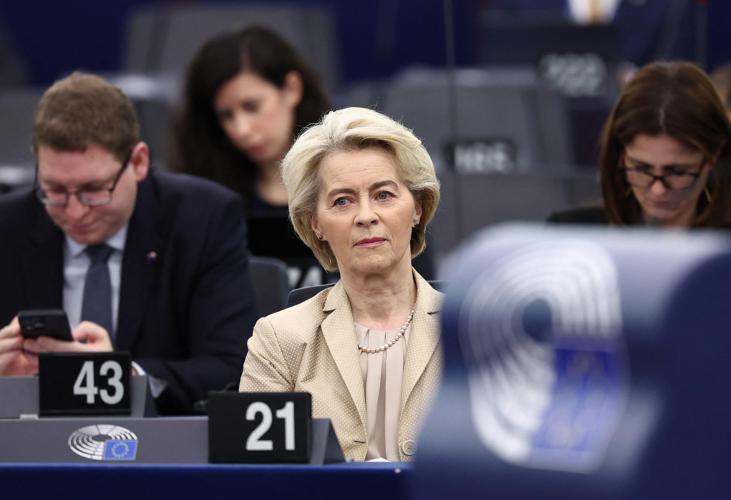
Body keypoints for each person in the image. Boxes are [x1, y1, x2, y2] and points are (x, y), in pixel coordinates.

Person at [0, 72, 259, 414]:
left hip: (162, 452)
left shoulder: (203, 219)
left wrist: (123, 377)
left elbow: (232, 370)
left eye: (94, 190)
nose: (75, 211)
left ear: (138, 162)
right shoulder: (8, 228)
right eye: (55, 191)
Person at [239, 107, 442, 462]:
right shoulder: (278, 340)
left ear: (418, 208)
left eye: (383, 195)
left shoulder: (471, 332)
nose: (366, 216)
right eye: (342, 201)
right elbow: (258, 480)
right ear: (315, 223)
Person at [169, 25, 332, 288]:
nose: (241, 129)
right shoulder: (206, 197)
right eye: (226, 116)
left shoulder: (345, 170)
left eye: (252, 107)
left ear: (292, 89)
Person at [548, 61, 731, 228]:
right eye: (641, 169)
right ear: (620, 156)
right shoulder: (571, 234)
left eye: (677, 172)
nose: (658, 190)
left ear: (713, 157)